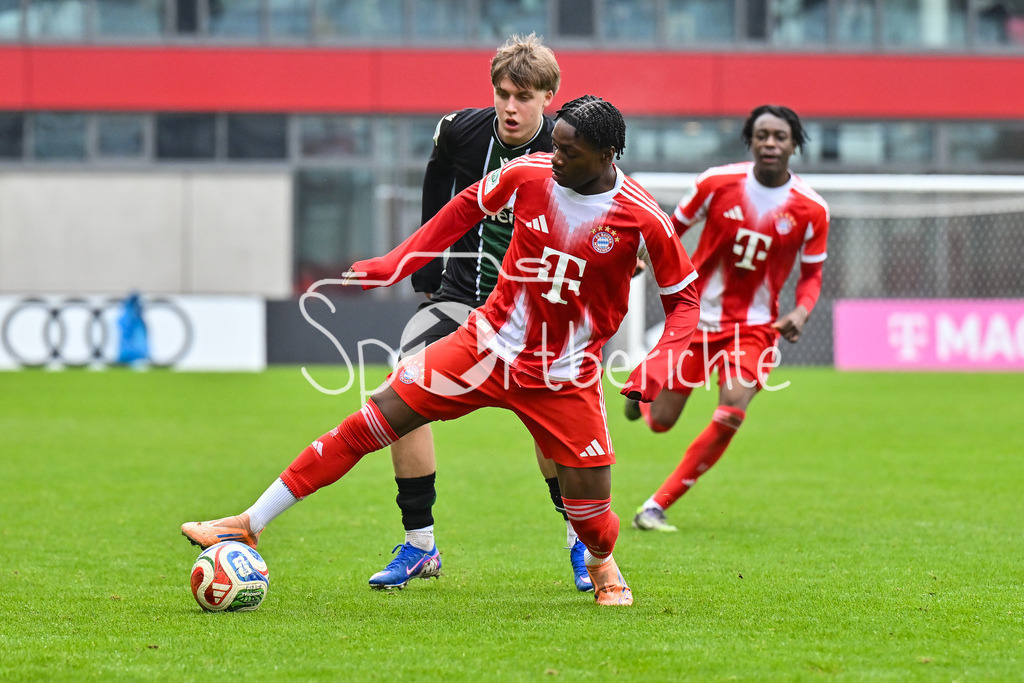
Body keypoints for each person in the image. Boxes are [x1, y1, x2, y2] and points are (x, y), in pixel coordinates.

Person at [182, 95, 701, 606]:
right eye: (556, 147)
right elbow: (460, 210)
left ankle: (600, 559)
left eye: (569, 152)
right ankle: (250, 522)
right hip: (484, 347)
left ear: (607, 155)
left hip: (565, 375)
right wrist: (397, 262)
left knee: (595, 522)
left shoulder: (643, 217)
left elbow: (684, 302)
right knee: (371, 419)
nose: (555, 158)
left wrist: (658, 364)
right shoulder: (529, 173)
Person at [376, 34, 593, 593]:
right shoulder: (459, 130)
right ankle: (420, 544)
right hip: (459, 296)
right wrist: (424, 272)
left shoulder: (573, 146)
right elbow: (436, 189)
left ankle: (580, 543)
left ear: (550, 97)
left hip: (537, 312)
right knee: (401, 394)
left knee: (551, 434)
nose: (511, 107)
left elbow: (608, 213)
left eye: (524, 96)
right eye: (503, 94)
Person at [628, 104, 830, 532]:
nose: (770, 143)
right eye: (762, 135)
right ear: (750, 141)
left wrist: (801, 310)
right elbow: (670, 228)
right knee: (662, 423)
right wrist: (640, 257)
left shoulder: (811, 209)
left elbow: (812, 275)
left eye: (779, 136)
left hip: (755, 329)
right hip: (696, 318)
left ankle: (655, 505)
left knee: (732, 409)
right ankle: (642, 391)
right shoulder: (716, 183)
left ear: (795, 144)